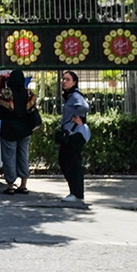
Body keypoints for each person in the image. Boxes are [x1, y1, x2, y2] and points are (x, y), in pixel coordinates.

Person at [0, 69, 35, 195]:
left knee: (9, 157)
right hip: (25, 131)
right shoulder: (29, 94)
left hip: (9, 131)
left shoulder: (5, 94)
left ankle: (10, 185)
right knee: (24, 156)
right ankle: (23, 185)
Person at [58, 70, 91, 203]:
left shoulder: (75, 95)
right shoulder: (70, 96)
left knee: (73, 163)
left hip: (75, 134)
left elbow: (84, 106)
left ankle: (77, 194)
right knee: (65, 161)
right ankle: (75, 192)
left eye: (67, 80)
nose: (64, 82)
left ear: (74, 82)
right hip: (71, 134)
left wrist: (78, 118)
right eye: (63, 79)